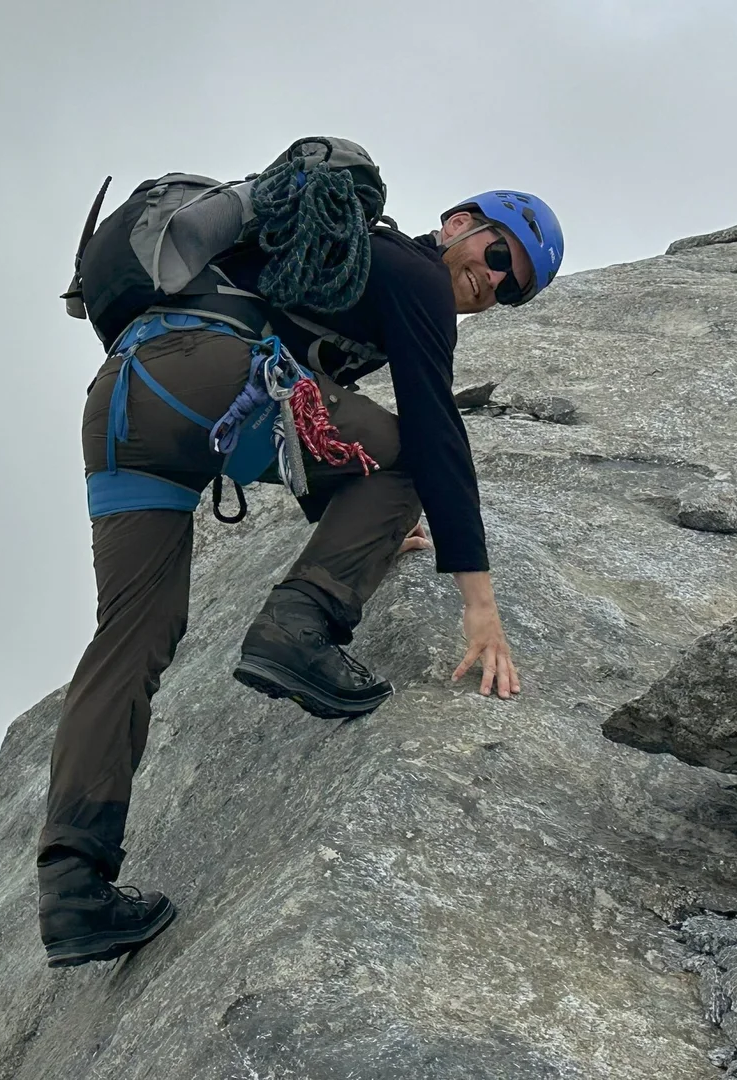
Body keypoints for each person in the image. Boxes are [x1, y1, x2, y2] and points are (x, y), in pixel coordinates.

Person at [38, 160, 565, 969]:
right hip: (204, 376)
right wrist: (479, 601)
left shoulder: (339, 267)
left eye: (513, 289)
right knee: (405, 461)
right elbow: (434, 435)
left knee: (130, 640)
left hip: (123, 405)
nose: (493, 283)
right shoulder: (414, 272)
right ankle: (299, 626)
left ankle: (73, 888)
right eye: (499, 257)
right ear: (460, 223)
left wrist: (369, 533)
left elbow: (312, 418)